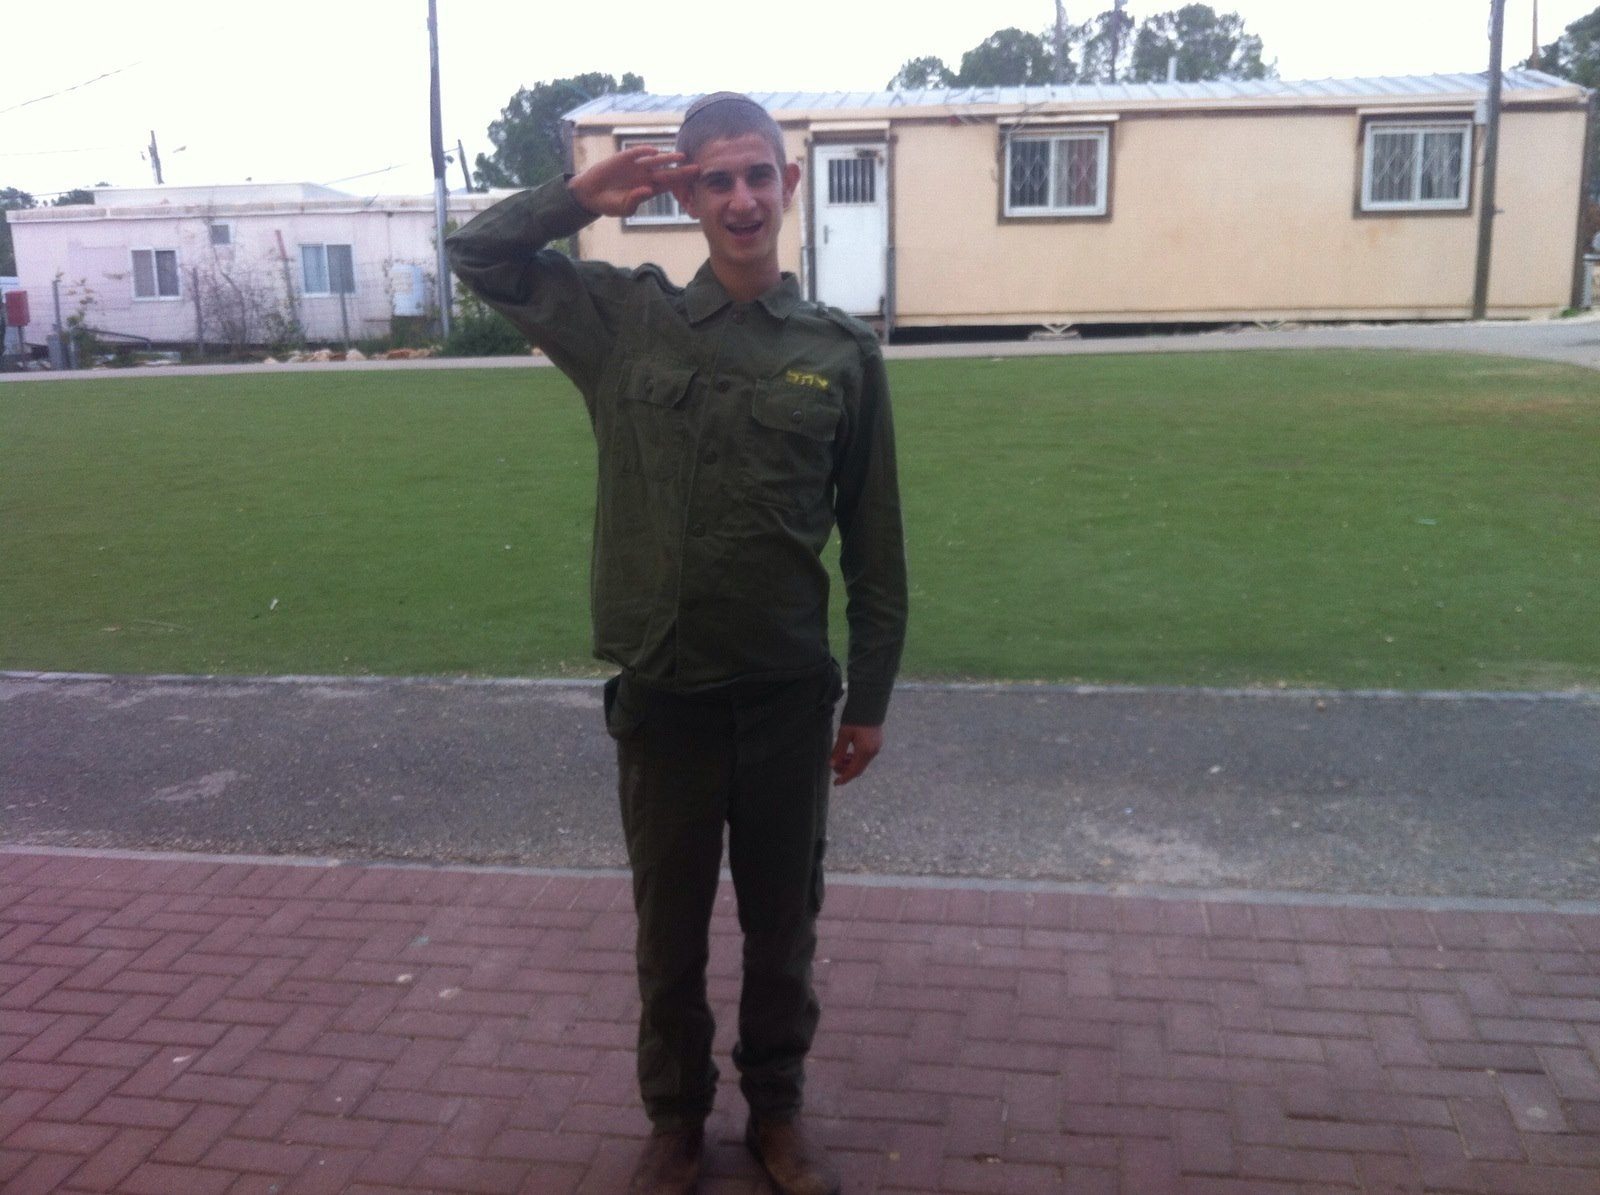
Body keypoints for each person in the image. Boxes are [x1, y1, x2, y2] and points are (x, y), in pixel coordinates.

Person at [447, 92, 907, 1195]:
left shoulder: (839, 355)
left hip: (790, 699)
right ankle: (675, 1120)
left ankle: (778, 1114)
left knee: (783, 926)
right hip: (666, 700)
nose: (741, 198)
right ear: (688, 196)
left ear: (788, 185)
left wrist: (870, 697)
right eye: (715, 180)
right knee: (669, 936)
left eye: (759, 174)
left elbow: (876, 548)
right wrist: (574, 197)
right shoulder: (622, 321)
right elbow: (475, 251)